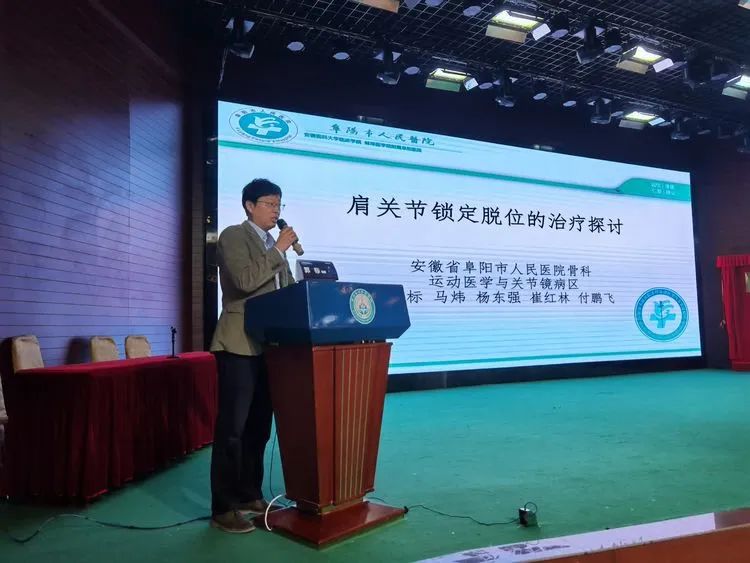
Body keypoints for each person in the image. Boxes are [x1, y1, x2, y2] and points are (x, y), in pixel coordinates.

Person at [209, 178, 298, 533]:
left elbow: (284, 290)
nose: (276, 211)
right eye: (269, 204)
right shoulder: (234, 236)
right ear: (249, 205)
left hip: (269, 347)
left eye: (279, 205)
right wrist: (278, 250)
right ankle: (223, 507)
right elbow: (244, 281)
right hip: (238, 344)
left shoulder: (275, 247)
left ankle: (248, 493)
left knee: (259, 428)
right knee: (233, 429)